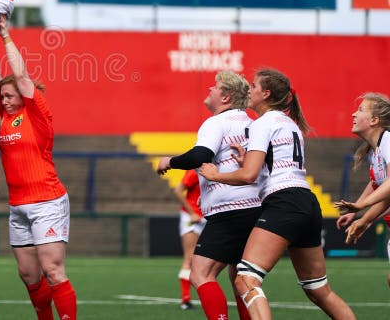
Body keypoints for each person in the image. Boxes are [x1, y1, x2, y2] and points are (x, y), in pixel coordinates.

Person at [198, 68, 355, 320]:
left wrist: (216, 175)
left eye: (253, 86)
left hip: (284, 203)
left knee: (246, 280)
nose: (248, 90)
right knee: (318, 289)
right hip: (306, 201)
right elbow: (270, 168)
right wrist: (244, 161)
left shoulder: (262, 123)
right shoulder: (288, 123)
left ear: (266, 93)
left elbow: (249, 176)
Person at [0, 15, 76, 320]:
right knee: (28, 275)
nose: (5, 101)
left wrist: (5, 36)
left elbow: (19, 78)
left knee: (52, 270)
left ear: (23, 96)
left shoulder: (36, 111)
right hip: (19, 206)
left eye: (11, 97)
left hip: (46, 201)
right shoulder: (8, 115)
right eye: (4, 97)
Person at [157, 70, 260, 320]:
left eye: (214, 87)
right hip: (256, 208)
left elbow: (199, 155)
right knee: (241, 279)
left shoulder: (216, 122)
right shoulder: (253, 123)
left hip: (230, 210)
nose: (209, 90)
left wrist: (168, 161)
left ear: (225, 97)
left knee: (200, 273)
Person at [333, 92, 390, 286]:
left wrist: (363, 210)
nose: (353, 115)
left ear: (374, 120)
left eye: (360, 110)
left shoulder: (389, 140)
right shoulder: (378, 150)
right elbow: (378, 185)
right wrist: (359, 211)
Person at [172, 169, 206, 310]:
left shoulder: (218, 167)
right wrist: (192, 213)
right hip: (192, 218)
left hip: (209, 216)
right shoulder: (194, 170)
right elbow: (178, 191)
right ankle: (185, 300)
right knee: (189, 258)